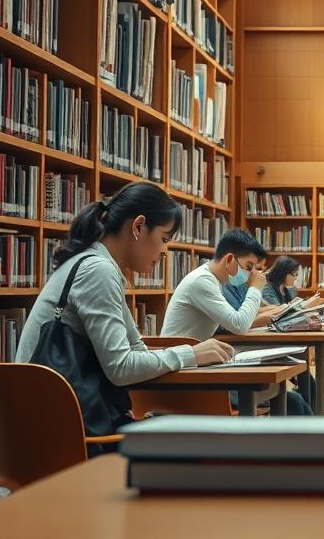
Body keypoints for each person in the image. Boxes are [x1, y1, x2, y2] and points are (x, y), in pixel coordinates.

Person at [15, 182, 234, 437]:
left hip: (52, 420)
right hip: (64, 433)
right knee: (198, 442)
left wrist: (186, 354)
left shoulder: (96, 263)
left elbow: (135, 349)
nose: (165, 251)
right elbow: (121, 367)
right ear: (138, 226)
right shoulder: (98, 270)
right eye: (164, 239)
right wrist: (191, 354)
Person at [162, 230, 313, 415]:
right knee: (292, 400)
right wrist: (255, 288)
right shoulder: (202, 282)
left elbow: (235, 319)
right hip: (184, 376)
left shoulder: (213, 281)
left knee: (288, 396)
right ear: (229, 259)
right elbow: (239, 324)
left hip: (198, 366)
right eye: (248, 267)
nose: (250, 274)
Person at [262, 255, 322, 409]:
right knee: (303, 362)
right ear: (283, 273)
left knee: (304, 365)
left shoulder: (288, 289)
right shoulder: (268, 288)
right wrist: (302, 305)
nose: (296, 279)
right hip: (271, 337)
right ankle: (313, 406)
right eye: (294, 275)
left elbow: (290, 310)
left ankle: (313, 404)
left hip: (285, 334)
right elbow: (277, 313)